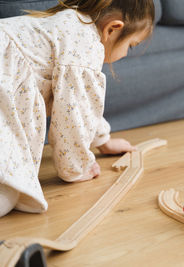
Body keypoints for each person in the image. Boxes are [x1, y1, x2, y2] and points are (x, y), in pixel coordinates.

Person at [0, 0, 155, 217]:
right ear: (113, 29)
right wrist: (76, 167)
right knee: (9, 192)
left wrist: (103, 140)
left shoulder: (71, 22)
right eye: (130, 45)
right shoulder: (86, 46)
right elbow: (72, 115)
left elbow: (82, 104)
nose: (126, 54)